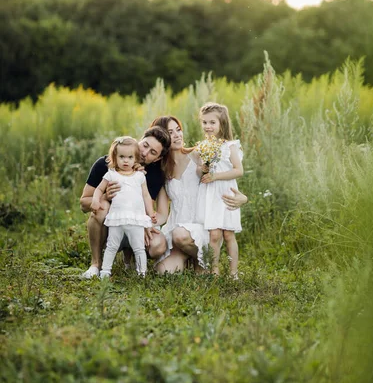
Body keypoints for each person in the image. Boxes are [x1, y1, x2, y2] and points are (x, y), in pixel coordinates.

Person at [150, 116, 248, 275]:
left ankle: (205, 259)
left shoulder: (199, 155)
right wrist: (147, 224)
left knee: (180, 235)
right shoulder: (162, 170)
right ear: (161, 137)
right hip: (176, 231)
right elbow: (162, 214)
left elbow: (223, 180)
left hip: (203, 228)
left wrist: (244, 198)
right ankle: (189, 258)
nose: (177, 135)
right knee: (164, 272)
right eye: (170, 132)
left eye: (178, 130)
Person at [80, 125, 171, 278]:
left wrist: (147, 222)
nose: (144, 153)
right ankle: (96, 264)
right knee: (102, 207)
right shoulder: (105, 165)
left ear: (158, 158)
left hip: (135, 223)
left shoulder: (154, 175)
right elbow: (83, 203)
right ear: (140, 140)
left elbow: (147, 203)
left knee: (157, 245)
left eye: (152, 152)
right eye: (145, 145)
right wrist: (104, 197)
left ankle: (134, 260)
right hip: (111, 225)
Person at [91, 136, 157, 279]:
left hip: (136, 219)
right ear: (115, 157)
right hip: (117, 218)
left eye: (130, 157)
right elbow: (98, 189)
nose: (126, 161)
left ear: (136, 159)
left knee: (139, 248)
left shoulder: (140, 176)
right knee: (112, 246)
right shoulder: (111, 174)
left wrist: (150, 213)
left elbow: (146, 196)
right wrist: (96, 200)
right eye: (121, 157)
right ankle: (105, 271)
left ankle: (141, 273)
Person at [195, 102, 243, 278]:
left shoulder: (230, 146)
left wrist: (216, 176)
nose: (208, 126)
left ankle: (233, 273)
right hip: (211, 194)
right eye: (204, 122)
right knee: (214, 234)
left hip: (226, 192)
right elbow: (199, 170)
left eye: (212, 122)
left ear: (222, 123)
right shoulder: (203, 146)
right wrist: (204, 168)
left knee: (229, 234)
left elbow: (239, 170)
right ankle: (214, 271)